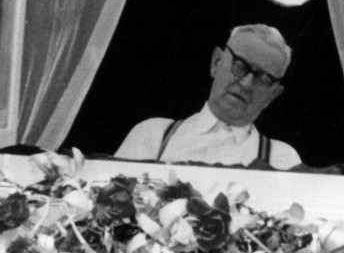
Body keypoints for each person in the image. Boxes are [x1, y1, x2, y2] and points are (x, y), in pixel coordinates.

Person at [114, 24, 302, 169]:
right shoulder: (152, 135)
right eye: (240, 66)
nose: (246, 84)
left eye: (264, 78)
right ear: (216, 62)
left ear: (272, 95)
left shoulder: (282, 160)